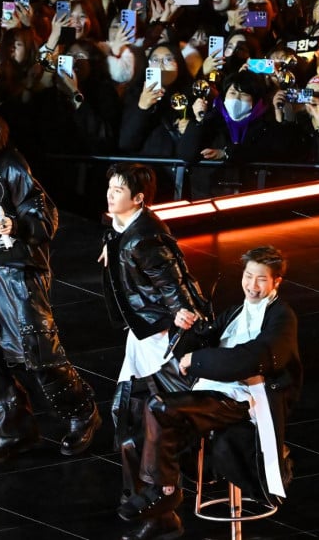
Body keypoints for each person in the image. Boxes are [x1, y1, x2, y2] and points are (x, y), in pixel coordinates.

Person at [0, 111, 101, 463]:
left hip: (18, 275)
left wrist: (17, 225)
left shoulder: (12, 169)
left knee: (39, 356)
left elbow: (46, 218)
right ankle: (13, 429)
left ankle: (81, 413)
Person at [117, 246, 301, 540]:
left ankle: (165, 491)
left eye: (261, 279)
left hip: (242, 400)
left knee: (161, 407)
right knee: (132, 441)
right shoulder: (236, 312)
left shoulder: (282, 317)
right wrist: (185, 327)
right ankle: (162, 516)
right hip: (213, 392)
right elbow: (200, 342)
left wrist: (199, 361)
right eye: (248, 276)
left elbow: (250, 359)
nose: (252, 285)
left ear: (276, 281)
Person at [100, 163, 209, 521]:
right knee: (129, 413)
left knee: (146, 415)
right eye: (111, 187)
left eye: (118, 190)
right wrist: (111, 251)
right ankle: (146, 492)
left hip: (160, 336)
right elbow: (116, 236)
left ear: (138, 199)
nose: (110, 195)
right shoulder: (122, 228)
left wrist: (183, 312)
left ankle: (159, 492)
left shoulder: (144, 238)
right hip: (143, 332)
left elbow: (173, 280)